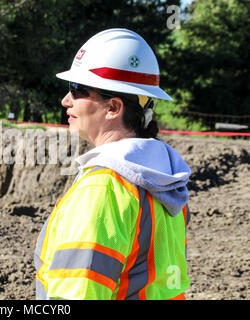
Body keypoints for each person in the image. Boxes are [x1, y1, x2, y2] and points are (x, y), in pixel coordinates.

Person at [34, 29, 191, 300]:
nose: (65, 100)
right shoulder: (164, 180)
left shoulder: (103, 187)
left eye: (77, 90)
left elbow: (78, 294)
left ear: (113, 108)